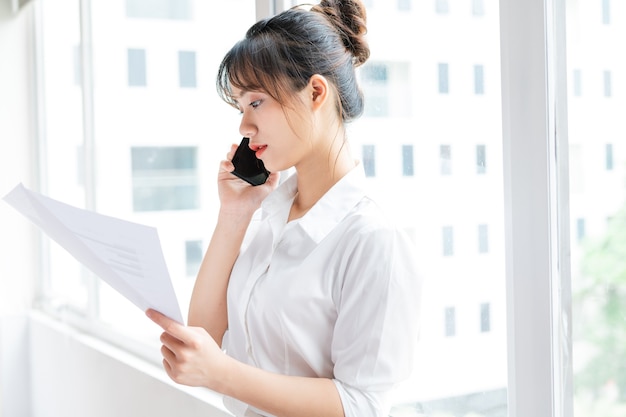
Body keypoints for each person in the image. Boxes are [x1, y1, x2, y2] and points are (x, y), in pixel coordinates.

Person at [146, 1, 422, 416]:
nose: (244, 126)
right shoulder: (271, 211)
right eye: (240, 108)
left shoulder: (373, 239)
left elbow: (360, 404)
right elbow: (204, 334)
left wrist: (221, 374)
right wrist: (234, 215)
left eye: (256, 102)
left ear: (315, 92)